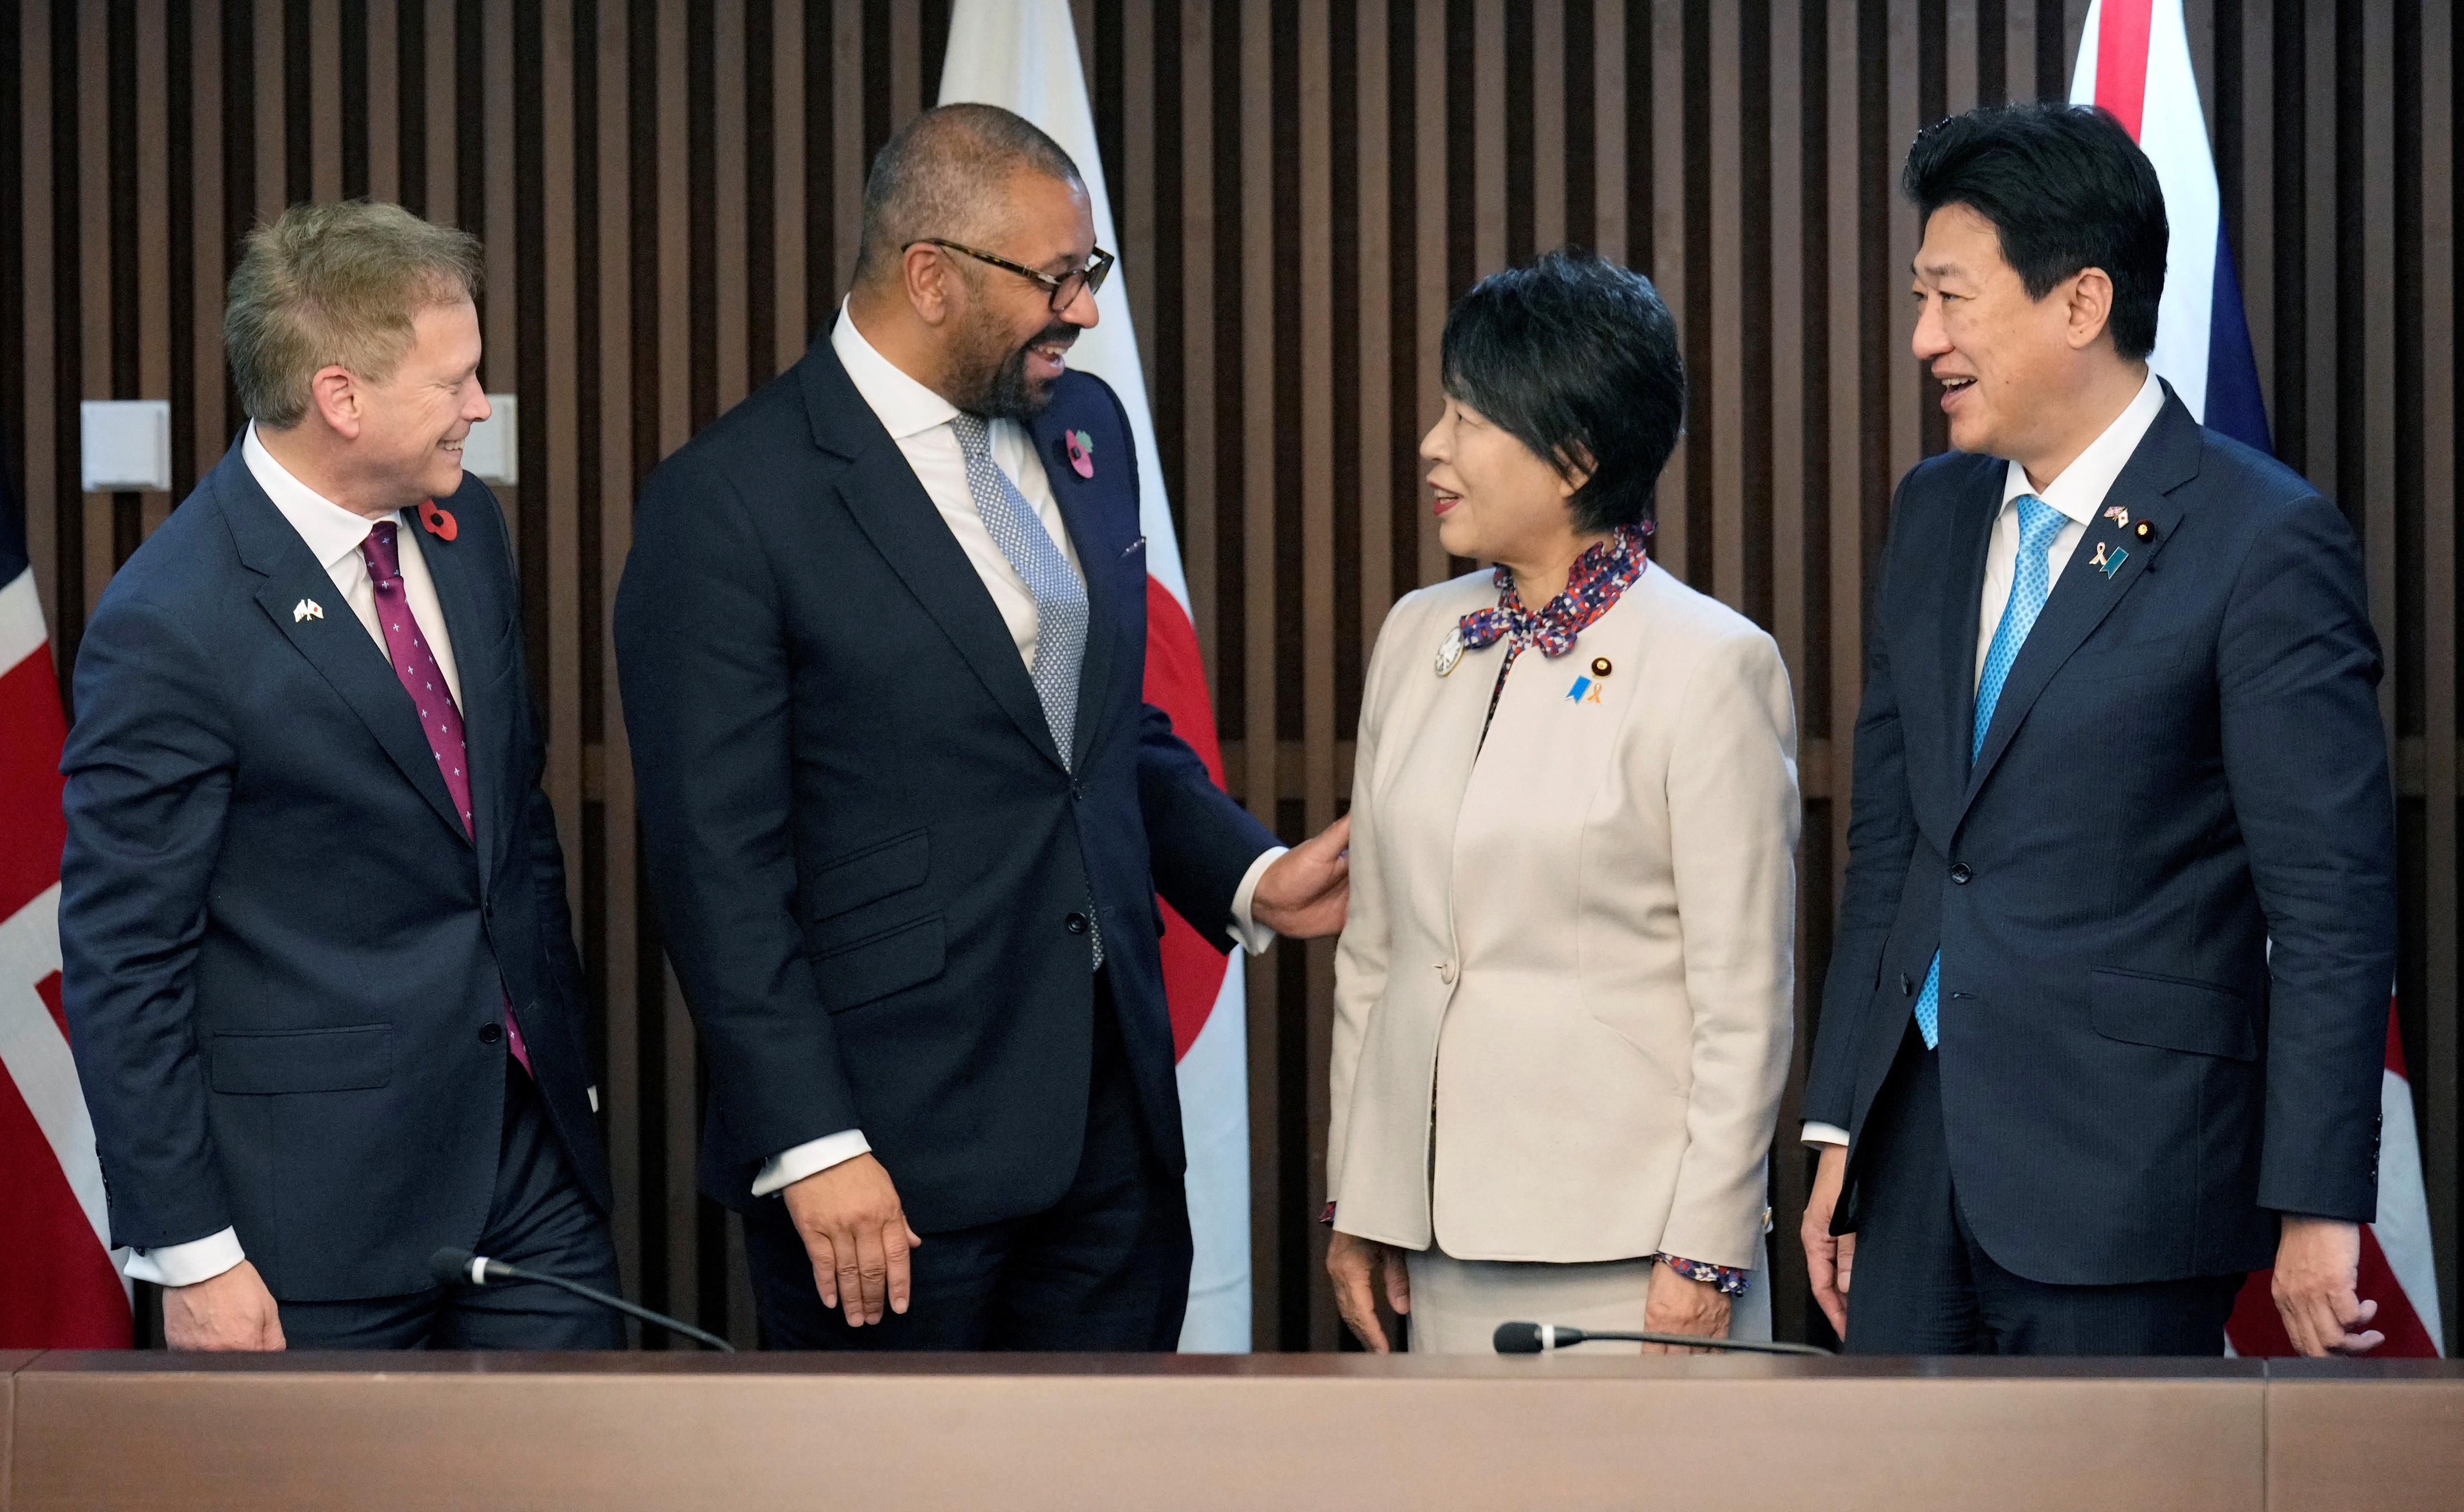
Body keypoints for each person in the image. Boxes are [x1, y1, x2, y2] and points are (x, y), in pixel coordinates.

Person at [613, 102, 1350, 1351]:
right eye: (1058, 280)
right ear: (930, 277)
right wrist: (814, 1144)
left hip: (1109, 1131)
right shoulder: (729, 504)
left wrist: (1249, 874)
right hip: (886, 1164)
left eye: (1089, 273)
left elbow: (1091, 735)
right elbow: (715, 872)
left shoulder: (1086, 429)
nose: (1086, 312)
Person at [1799, 103, 2397, 1357]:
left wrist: (2318, 1203)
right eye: (1921, 298)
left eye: (1951, 299)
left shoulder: (2259, 541)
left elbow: (2330, 907)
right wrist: (1842, 1128)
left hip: (2126, 1177)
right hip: (1911, 1171)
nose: (1923, 340)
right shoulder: (1932, 512)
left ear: (2079, 303)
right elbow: (1895, 848)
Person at [59, 202, 621, 1350]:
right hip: (311, 1223)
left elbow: (509, 822)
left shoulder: (468, 534)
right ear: (341, 397)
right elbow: (125, 959)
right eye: (454, 382)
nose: (480, 406)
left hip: (526, 1172)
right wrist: (192, 1253)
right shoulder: (172, 620)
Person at [1322, 250, 1798, 1355]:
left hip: (1628, 1260)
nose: (1433, 447)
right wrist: (1361, 1193)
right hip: (1432, 1241)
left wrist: (1704, 1250)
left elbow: (1743, 995)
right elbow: (1375, 952)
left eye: (1469, 417)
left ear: (1576, 451)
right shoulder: (1414, 636)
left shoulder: (1708, 665)